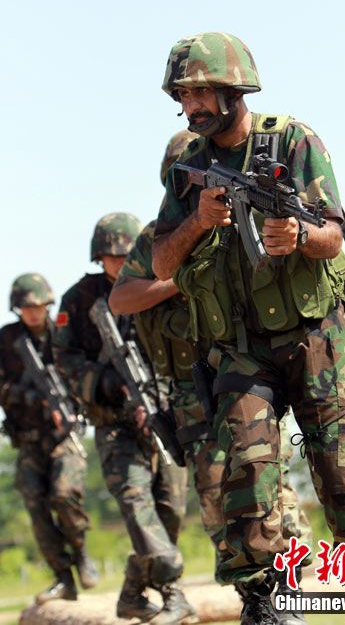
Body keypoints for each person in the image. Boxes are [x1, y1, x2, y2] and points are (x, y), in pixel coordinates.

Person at [152, 33, 345, 625]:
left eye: (200, 92)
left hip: (315, 337)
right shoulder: (189, 168)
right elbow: (160, 263)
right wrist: (199, 222)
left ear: (234, 88)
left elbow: (334, 234)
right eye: (183, 96)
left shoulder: (294, 140)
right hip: (240, 348)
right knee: (247, 471)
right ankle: (264, 601)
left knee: (342, 472)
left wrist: (300, 236)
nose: (191, 105)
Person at [109, 132, 314, 625]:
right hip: (193, 389)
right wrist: (177, 275)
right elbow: (121, 298)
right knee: (217, 492)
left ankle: (287, 588)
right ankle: (254, 597)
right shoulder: (158, 236)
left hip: (250, 370)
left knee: (267, 479)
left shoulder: (247, 214)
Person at [52, 213, 195, 624]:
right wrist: (107, 382)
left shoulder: (157, 285)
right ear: (99, 256)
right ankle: (173, 592)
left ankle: (133, 591)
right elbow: (63, 359)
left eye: (126, 253)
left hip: (164, 413)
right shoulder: (78, 299)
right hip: (114, 424)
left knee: (168, 512)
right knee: (136, 504)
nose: (121, 260)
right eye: (112, 255)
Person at [0, 273, 98, 604]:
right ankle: (62, 577)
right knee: (37, 508)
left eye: (39, 306)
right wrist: (32, 398)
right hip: (28, 440)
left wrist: (69, 403)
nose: (33, 312)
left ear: (48, 305)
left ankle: (81, 552)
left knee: (65, 494)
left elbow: (83, 373)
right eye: (27, 307)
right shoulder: (7, 340)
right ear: (17, 308)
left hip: (63, 436)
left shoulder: (63, 334)